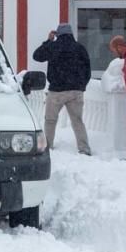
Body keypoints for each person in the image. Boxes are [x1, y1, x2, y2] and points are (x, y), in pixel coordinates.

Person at [32, 24, 92, 155]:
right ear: (71, 34)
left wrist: (49, 41)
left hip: (56, 91)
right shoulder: (80, 48)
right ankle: (84, 148)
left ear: (58, 34)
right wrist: (81, 86)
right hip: (76, 91)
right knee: (77, 121)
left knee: (50, 120)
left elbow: (36, 56)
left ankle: (47, 147)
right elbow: (87, 69)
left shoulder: (53, 47)